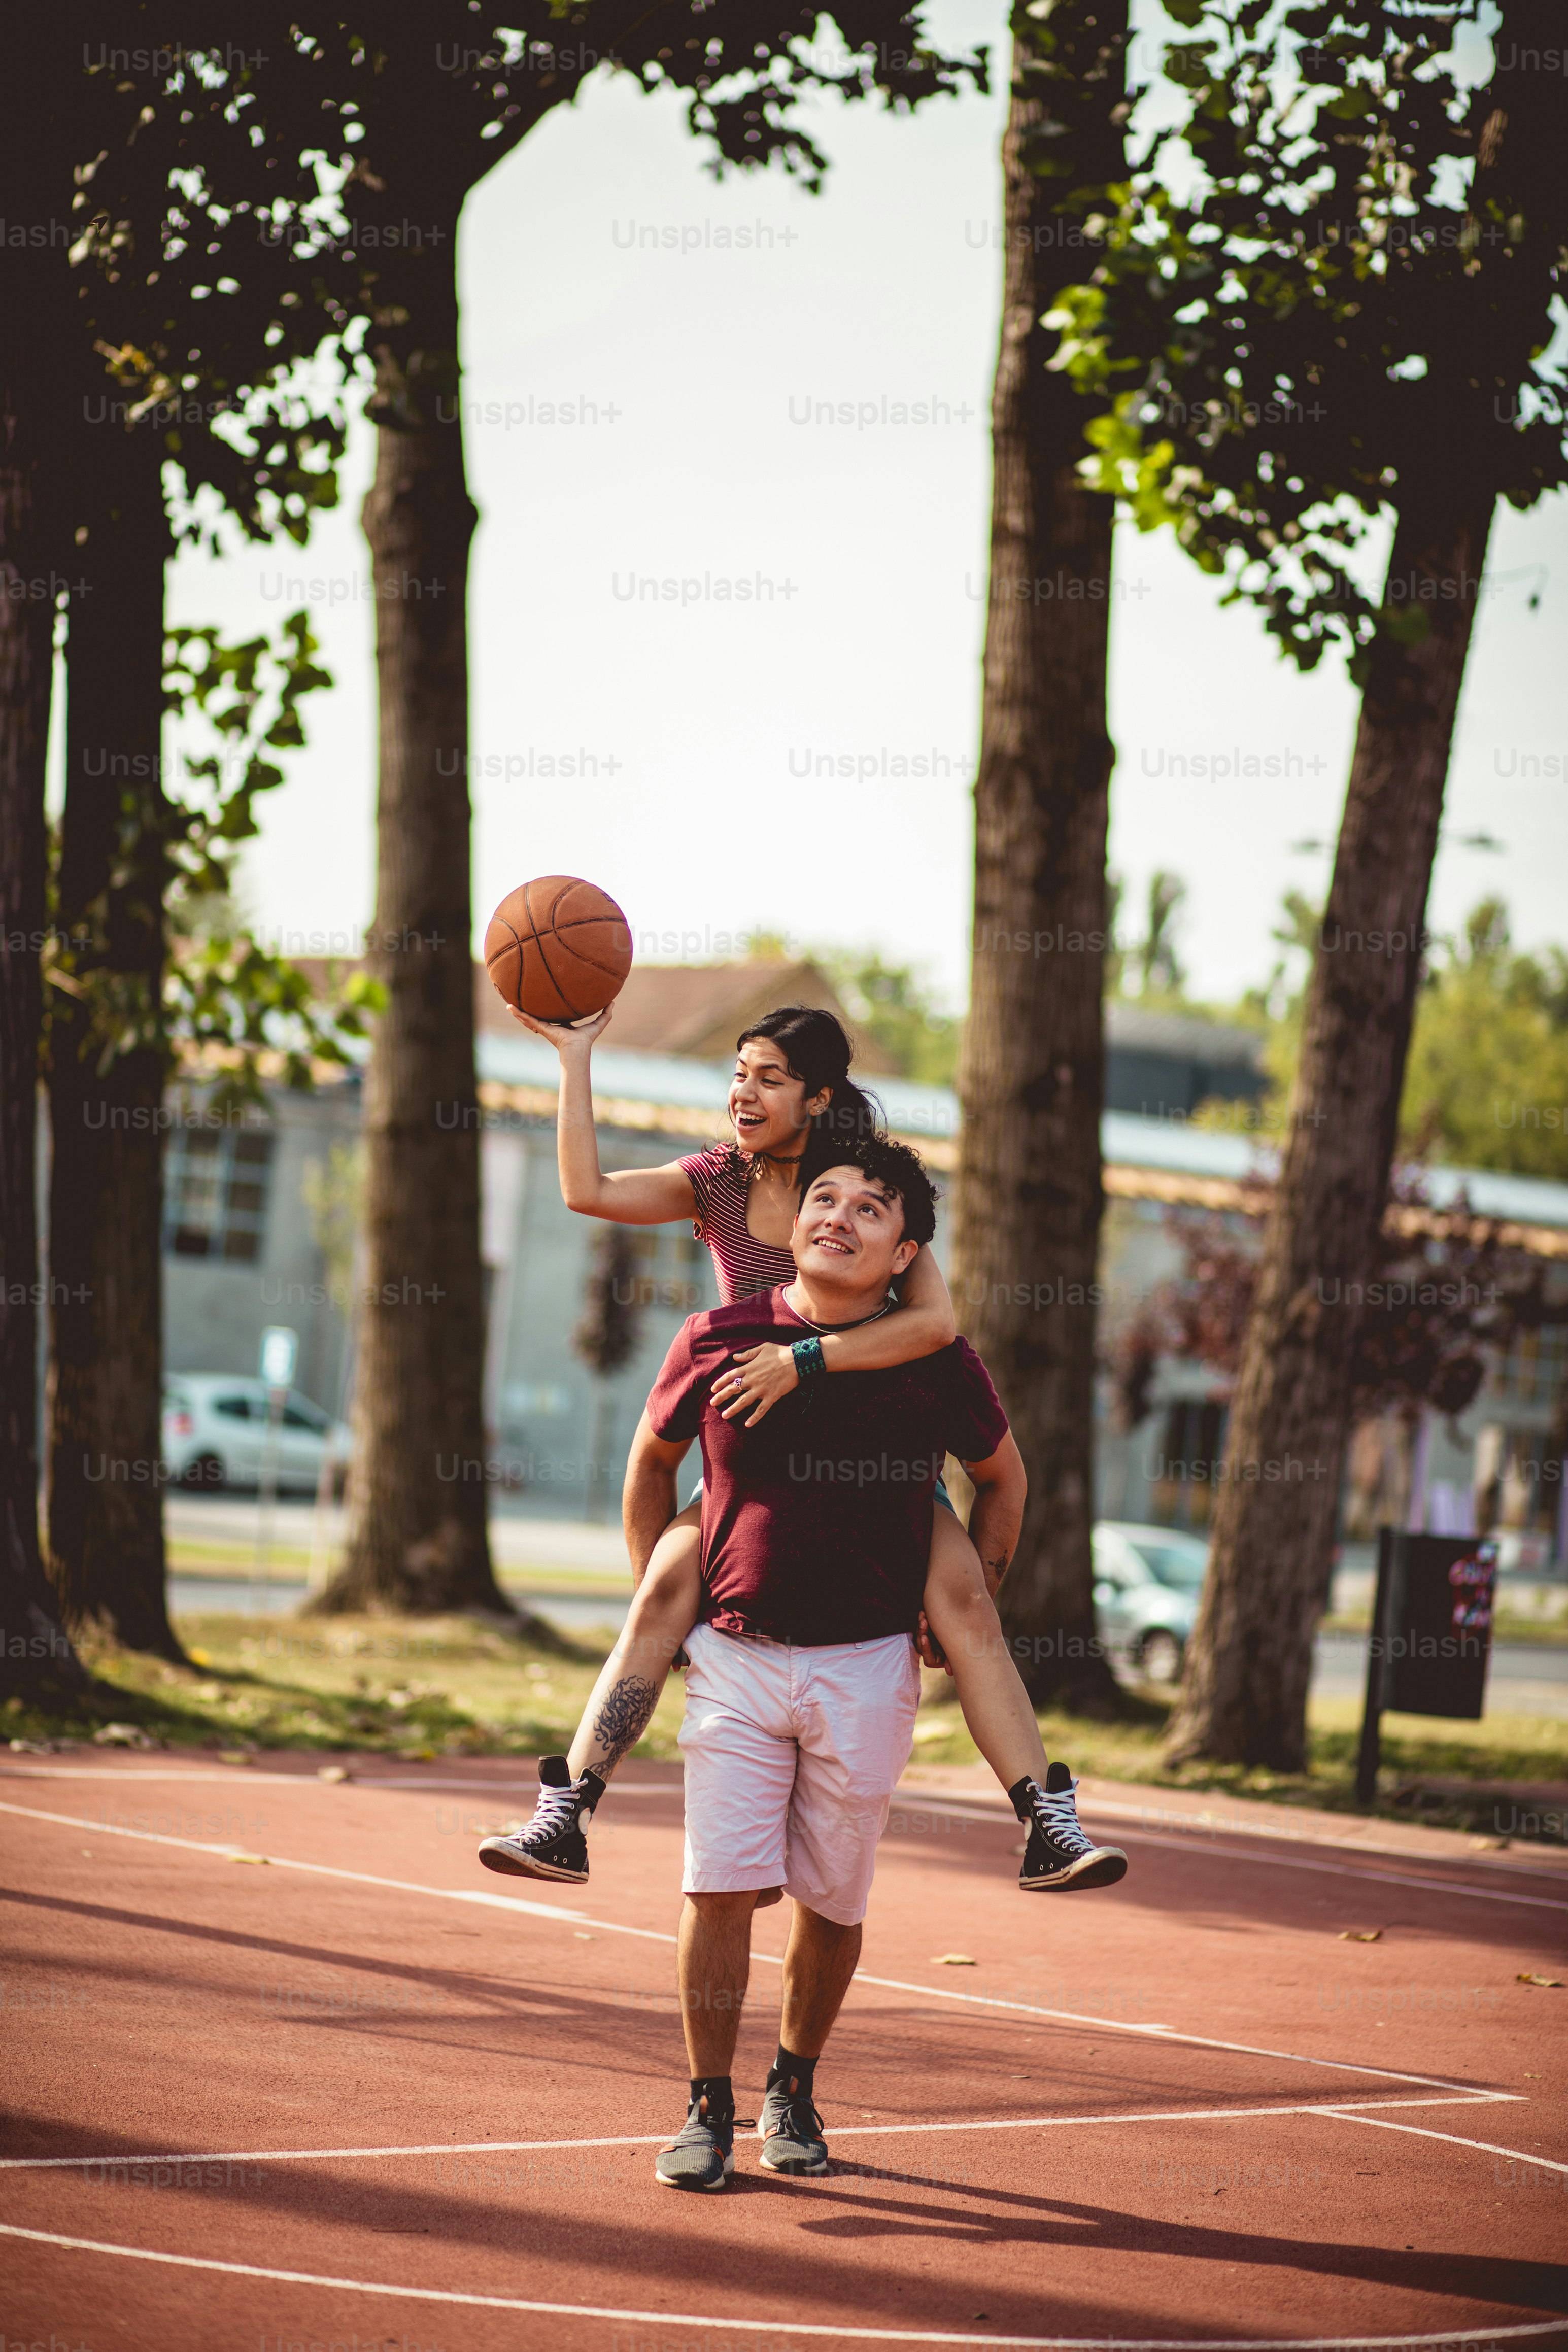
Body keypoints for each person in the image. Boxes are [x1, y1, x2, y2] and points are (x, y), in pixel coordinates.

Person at [479, 1001, 1126, 1902]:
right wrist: (576, 1057)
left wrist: (804, 1359)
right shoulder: (716, 1182)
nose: (745, 1090)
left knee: (966, 1601)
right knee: (666, 1580)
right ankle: (568, 1810)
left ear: (817, 1098)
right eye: (739, 1071)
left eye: (770, 1078)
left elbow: (934, 1323)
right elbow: (586, 1192)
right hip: (762, 1456)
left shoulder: (854, 1183)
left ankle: (1044, 1818)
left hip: (875, 1445)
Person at [627, 1138, 1109, 2187]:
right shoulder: (718, 1333)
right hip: (739, 1659)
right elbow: (652, 1465)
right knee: (716, 1889)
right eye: (825, 1196)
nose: (839, 1215)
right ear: (791, 1222)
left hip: (867, 1668)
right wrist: (661, 1609)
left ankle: (792, 2087)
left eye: (873, 1207)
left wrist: (967, 1587)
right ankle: (708, 2104)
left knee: (833, 1902)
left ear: (906, 1254)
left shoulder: (936, 1359)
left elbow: (1005, 1480)